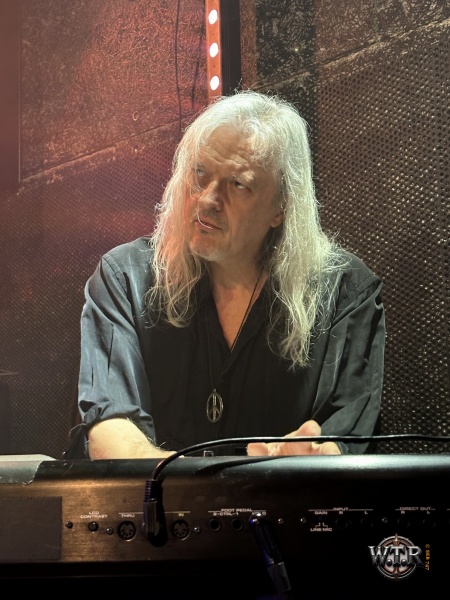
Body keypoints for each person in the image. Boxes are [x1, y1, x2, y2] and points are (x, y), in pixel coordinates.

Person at [70, 89, 385, 460]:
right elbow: (110, 433)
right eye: (199, 173)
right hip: (156, 502)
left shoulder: (345, 291)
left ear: (281, 208)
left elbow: (341, 444)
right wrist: (238, 482)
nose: (207, 199)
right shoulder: (125, 278)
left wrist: (308, 460)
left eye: (238, 184)